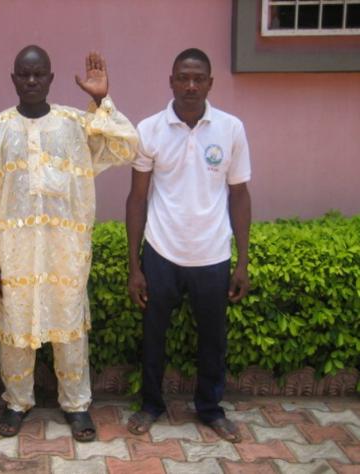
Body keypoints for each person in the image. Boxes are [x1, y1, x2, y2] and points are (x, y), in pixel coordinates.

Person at [0, 45, 138, 442]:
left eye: (39, 74)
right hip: (15, 252)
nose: (31, 80)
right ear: (13, 79)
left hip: (66, 252)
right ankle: (17, 402)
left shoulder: (74, 124)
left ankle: (77, 405)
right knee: (14, 329)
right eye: (24, 74)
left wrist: (101, 100)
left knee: (69, 329)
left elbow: (126, 146)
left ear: (50, 78)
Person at [125, 48, 252, 443]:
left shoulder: (231, 129)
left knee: (213, 339)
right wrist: (134, 266)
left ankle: (210, 409)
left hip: (212, 254)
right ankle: (151, 405)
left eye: (199, 79)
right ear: (171, 81)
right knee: (154, 337)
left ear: (210, 83)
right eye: (183, 77)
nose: (191, 85)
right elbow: (137, 198)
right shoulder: (149, 130)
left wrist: (242, 262)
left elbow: (239, 195)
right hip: (161, 251)